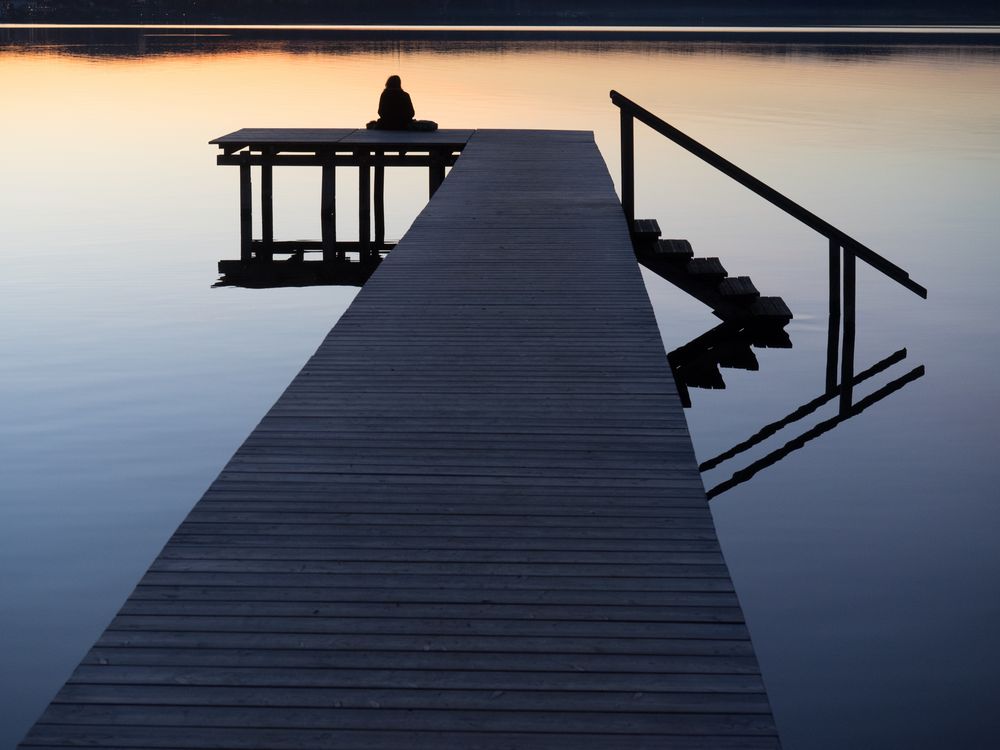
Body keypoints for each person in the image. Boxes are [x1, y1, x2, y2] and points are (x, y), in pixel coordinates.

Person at [366, 75, 437, 132]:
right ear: (399, 84)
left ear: (387, 83)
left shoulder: (384, 95)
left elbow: (380, 112)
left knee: (371, 124)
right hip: (404, 126)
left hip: (386, 125)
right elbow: (411, 113)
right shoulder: (405, 95)